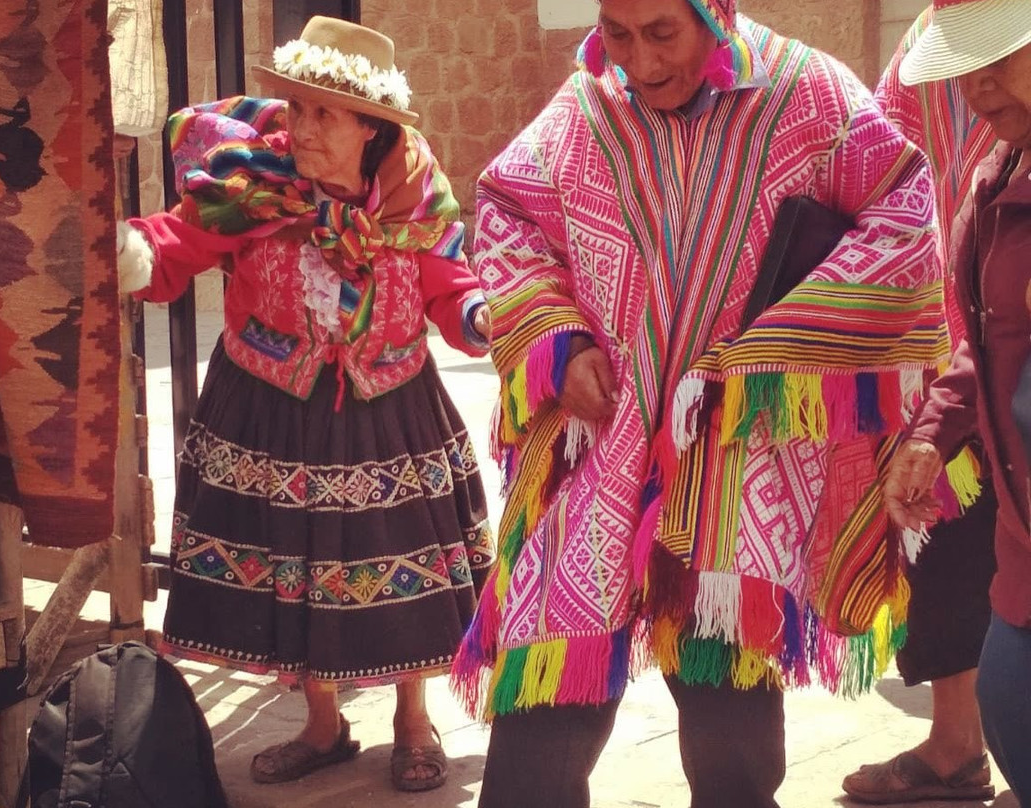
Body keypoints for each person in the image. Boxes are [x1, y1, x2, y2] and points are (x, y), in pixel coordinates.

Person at [450, 0, 961, 806]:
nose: (641, 62)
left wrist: (770, 355)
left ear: (713, 12)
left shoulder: (808, 95)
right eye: (618, 33)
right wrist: (560, 341)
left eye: (663, 32)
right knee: (542, 706)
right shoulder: (588, 104)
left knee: (731, 730)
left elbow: (905, 215)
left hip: (738, 457)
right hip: (603, 443)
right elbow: (507, 211)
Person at [115, 17, 494, 793]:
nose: (303, 127)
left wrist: (485, 316)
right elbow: (178, 243)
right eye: (298, 108)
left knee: (398, 566)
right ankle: (323, 727)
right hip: (271, 404)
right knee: (296, 567)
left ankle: (412, 722)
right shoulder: (254, 185)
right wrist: (122, 253)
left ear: (370, 128)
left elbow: (448, 284)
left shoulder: (415, 198)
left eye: (326, 114)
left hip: (388, 400)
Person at [842, 6, 1001, 803]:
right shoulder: (926, 42)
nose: (982, 83)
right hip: (952, 338)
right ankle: (957, 742)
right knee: (951, 545)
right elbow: (878, 151)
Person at [884, 1, 1031, 804]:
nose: (976, 86)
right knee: (1008, 697)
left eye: (999, 58)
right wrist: (933, 432)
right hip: (1021, 528)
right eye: (964, 65)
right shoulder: (996, 180)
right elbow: (987, 335)